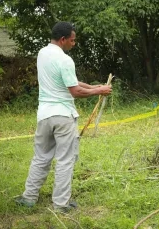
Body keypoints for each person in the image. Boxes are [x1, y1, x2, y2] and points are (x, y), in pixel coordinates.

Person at [15, 21, 112, 212]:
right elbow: (74, 90)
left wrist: (95, 87)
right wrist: (98, 90)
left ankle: (28, 198)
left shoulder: (43, 53)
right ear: (63, 39)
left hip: (44, 115)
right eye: (72, 40)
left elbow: (71, 82)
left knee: (40, 157)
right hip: (63, 117)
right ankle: (60, 204)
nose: (74, 44)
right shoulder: (65, 60)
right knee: (65, 160)